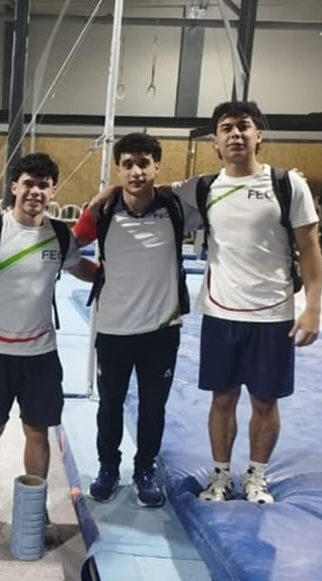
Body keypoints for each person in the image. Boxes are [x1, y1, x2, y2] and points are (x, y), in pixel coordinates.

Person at [90, 101, 322, 504]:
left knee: (265, 401)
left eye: (243, 126)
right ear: (215, 141)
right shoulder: (203, 188)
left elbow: (311, 247)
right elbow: (149, 187)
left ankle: (257, 476)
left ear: (258, 135)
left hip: (273, 313)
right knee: (222, 399)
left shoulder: (287, 185)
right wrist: (113, 188)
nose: (235, 134)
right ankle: (220, 476)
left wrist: (313, 307)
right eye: (226, 128)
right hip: (220, 312)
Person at [0, 153, 98, 544]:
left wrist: (123, 274)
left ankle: (34, 506)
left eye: (43, 185)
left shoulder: (61, 236)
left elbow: (81, 269)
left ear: (53, 191)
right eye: (29, 184)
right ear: (14, 187)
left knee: (38, 433)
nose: (35, 191)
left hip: (41, 355)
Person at [73, 133, 189, 507]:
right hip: (113, 329)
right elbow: (67, 250)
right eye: (128, 165)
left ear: (157, 166)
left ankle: (144, 470)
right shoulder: (102, 212)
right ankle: (108, 466)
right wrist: (96, 275)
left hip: (162, 330)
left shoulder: (176, 207)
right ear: (118, 169)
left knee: (153, 408)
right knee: (109, 405)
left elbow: (217, 192)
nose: (136, 171)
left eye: (143, 163)